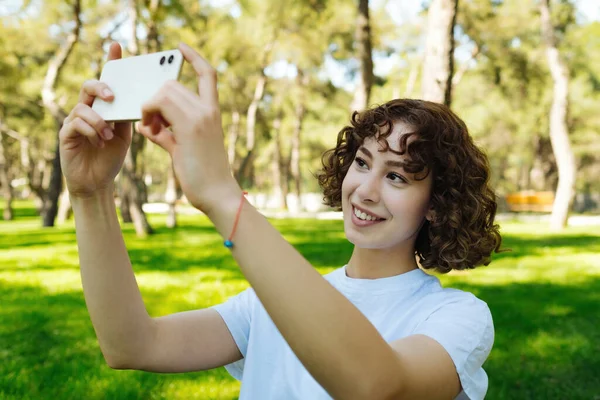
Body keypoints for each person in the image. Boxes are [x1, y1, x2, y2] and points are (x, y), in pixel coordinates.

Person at [59, 41, 503, 400]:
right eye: (363, 163)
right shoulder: (270, 302)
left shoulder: (456, 316)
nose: (366, 189)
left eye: (396, 176)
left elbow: (377, 387)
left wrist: (222, 194)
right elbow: (131, 344)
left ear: (435, 204)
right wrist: (90, 193)